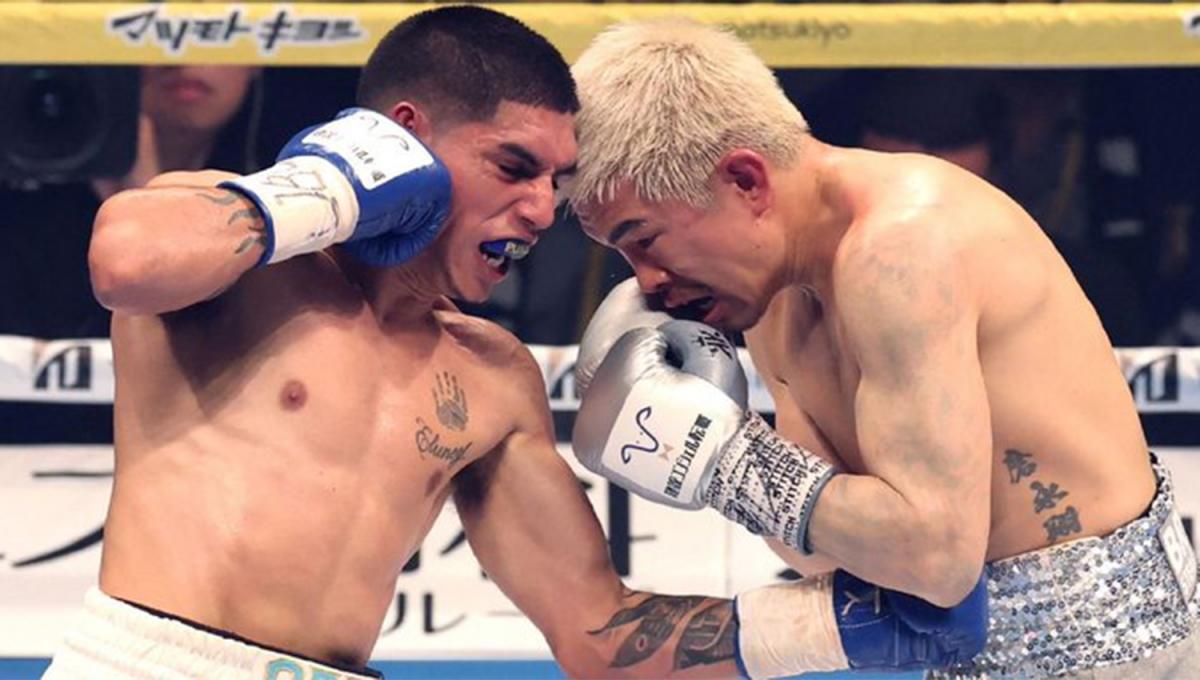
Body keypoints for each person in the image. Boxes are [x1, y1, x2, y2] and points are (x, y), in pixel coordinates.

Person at [42, 7, 987, 679]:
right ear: (400, 140)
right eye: (513, 166)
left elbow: (597, 635)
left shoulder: (490, 378)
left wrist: (834, 626)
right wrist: (331, 186)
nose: (540, 210)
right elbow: (126, 261)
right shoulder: (240, 265)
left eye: (555, 185)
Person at [565, 18, 1199, 678]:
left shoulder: (902, 248)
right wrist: (707, 446)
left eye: (644, 238)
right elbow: (827, 550)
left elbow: (937, 561)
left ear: (746, 180)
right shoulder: (774, 297)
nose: (645, 282)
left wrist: (721, 457)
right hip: (964, 662)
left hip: (1128, 658)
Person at [0, 64, 260, 339]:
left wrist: (146, 205)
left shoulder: (269, 195)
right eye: (159, 42)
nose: (184, 60)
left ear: (258, 61)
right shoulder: (18, 204)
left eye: (208, 41)